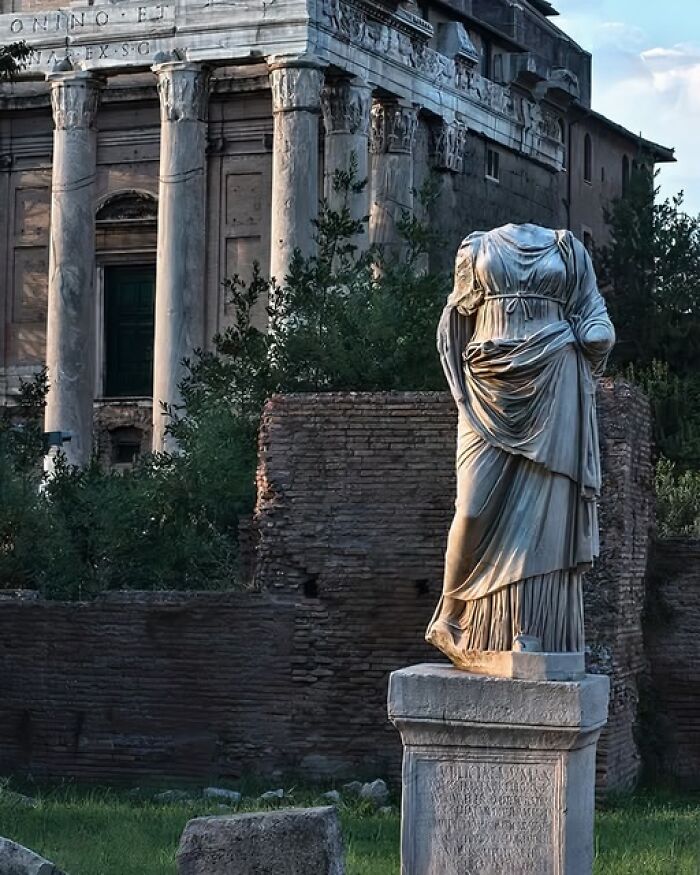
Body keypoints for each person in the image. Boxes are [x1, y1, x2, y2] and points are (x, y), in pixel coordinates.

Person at [426, 223, 615, 663]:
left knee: (540, 513)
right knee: (472, 508)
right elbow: (454, 320)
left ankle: (527, 629)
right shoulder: (475, 247)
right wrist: (459, 383)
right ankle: (450, 614)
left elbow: (593, 311)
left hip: (553, 374)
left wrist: (597, 334)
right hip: (488, 382)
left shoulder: (568, 250)